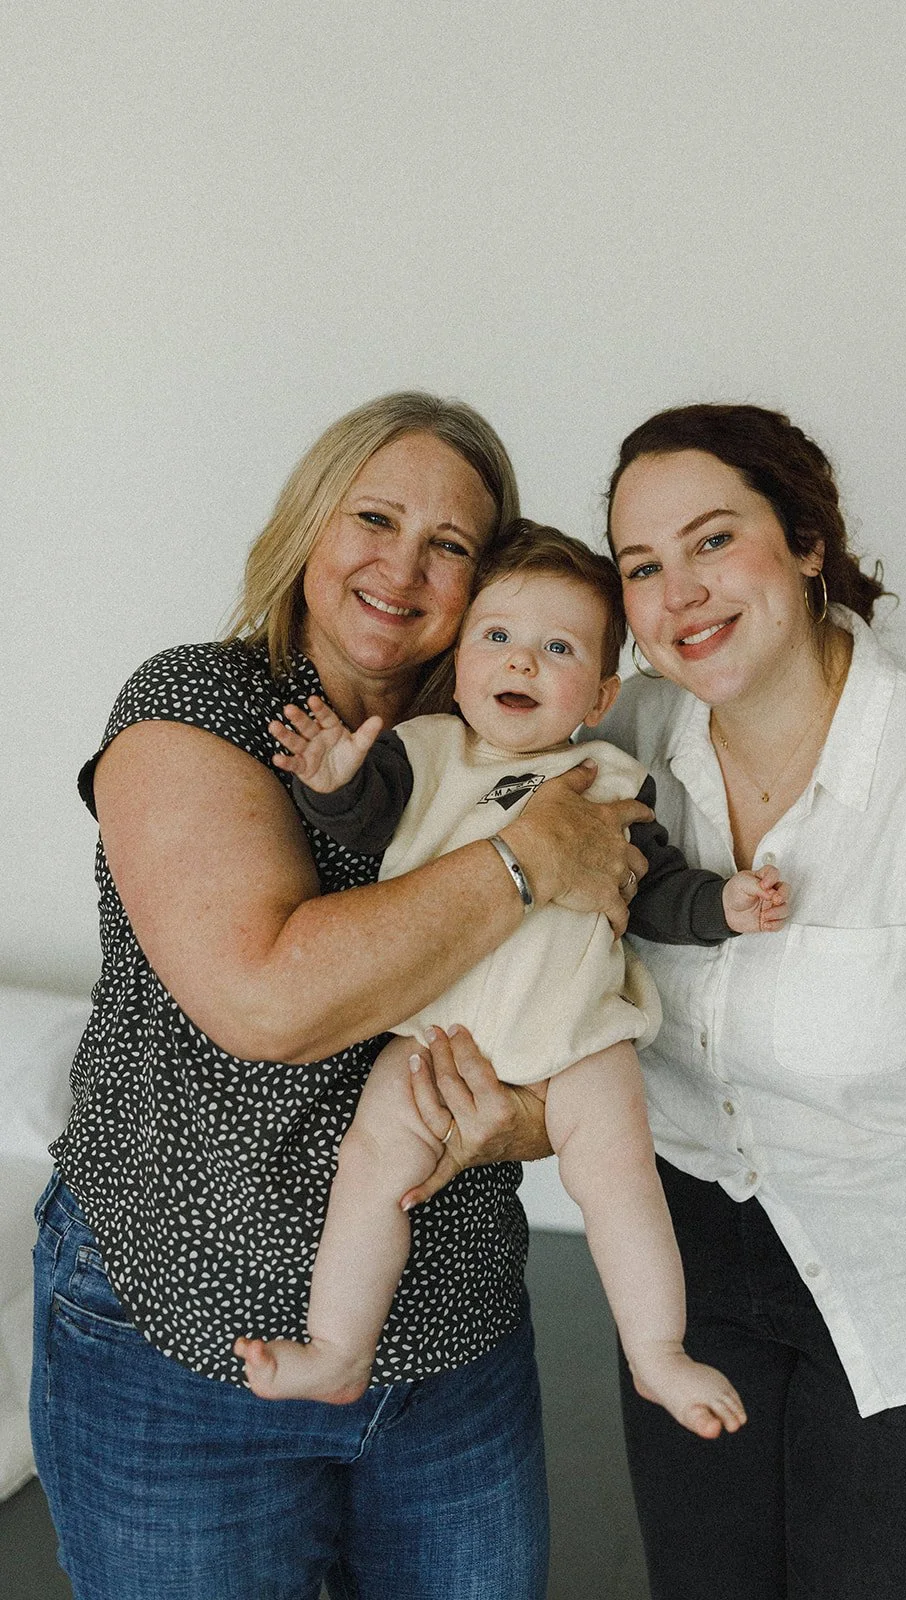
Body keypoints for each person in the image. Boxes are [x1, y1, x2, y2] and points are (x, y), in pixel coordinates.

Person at [30, 393, 655, 1600]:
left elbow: (577, 1005)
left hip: (452, 1334)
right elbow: (268, 1000)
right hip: (185, 1341)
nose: (402, 565)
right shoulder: (190, 709)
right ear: (310, 526)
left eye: (451, 544)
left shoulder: (509, 744)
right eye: (374, 516)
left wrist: (529, 1117)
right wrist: (527, 859)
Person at [600, 401, 906, 1600]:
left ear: (807, 541)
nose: (679, 593)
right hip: (688, 1260)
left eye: (713, 541)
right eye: (641, 566)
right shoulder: (630, 741)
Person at [234, 521, 788, 1435]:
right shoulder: (425, 753)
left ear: (600, 693)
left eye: (557, 648)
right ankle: (338, 1350)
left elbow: (653, 891)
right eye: (496, 638)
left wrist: (722, 906)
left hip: (575, 1038)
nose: (521, 662)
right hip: (430, 1034)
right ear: (457, 661)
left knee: (618, 1179)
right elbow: (362, 822)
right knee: (370, 1163)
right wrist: (331, 779)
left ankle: (657, 1351)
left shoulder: (604, 776)